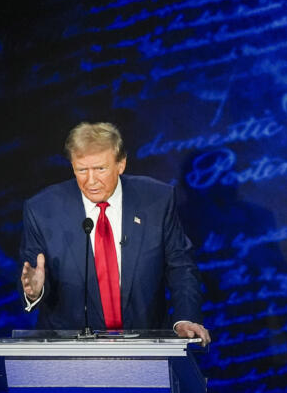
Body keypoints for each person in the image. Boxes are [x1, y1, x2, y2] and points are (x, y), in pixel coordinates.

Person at [19, 122, 211, 343]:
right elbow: (31, 274)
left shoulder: (157, 200)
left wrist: (185, 318)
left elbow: (181, 266)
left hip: (145, 345)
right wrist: (34, 292)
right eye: (82, 170)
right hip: (71, 352)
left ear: (121, 164)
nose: (90, 181)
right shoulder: (42, 209)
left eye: (100, 169)